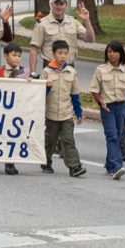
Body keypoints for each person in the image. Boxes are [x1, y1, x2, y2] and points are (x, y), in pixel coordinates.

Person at [92, 40, 125, 178]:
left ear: (120, 54)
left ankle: (109, 165)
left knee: (117, 136)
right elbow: (95, 90)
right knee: (111, 136)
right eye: (109, 52)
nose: (111, 54)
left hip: (121, 107)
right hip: (107, 107)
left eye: (115, 52)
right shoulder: (100, 70)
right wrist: (100, 101)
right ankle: (117, 166)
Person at [40, 41, 86, 175]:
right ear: (53, 54)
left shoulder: (71, 72)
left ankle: (74, 166)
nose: (63, 56)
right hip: (51, 113)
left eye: (65, 53)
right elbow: (40, 94)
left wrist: (78, 112)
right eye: (60, 53)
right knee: (50, 140)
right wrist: (47, 87)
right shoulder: (46, 72)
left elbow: (75, 94)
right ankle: (46, 162)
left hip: (66, 113)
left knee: (68, 139)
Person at [27, 0, 91, 76]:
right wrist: (33, 73)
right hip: (50, 69)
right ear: (51, 5)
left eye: (61, 4)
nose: (58, 6)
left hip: (69, 68)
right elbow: (34, 50)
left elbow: (90, 39)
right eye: (56, 3)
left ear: (66, 5)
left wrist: (87, 21)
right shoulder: (42, 24)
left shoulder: (73, 22)